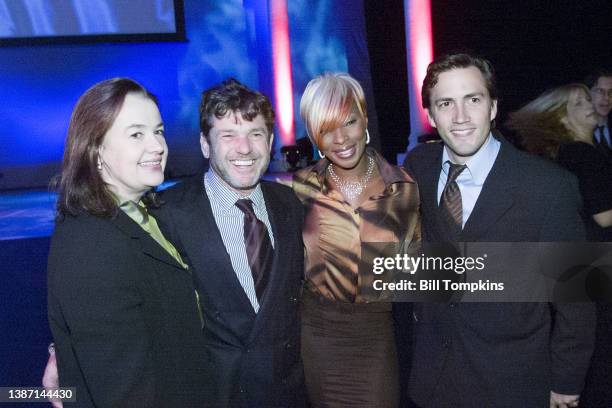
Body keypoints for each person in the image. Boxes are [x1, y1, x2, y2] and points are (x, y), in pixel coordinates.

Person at [403, 53, 596, 408]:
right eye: (446, 103)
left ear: (492, 107)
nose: (460, 117)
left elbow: (578, 298)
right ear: (430, 115)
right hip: (434, 380)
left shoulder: (549, 186)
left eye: (472, 100)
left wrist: (567, 382)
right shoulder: (420, 167)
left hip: (512, 382)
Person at [46, 78, 207, 407]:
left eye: (158, 131)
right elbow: (124, 389)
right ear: (96, 149)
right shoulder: (90, 246)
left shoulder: (147, 213)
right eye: (136, 134)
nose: (157, 145)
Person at [154, 78, 305, 406]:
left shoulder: (291, 204)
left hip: (287, 394)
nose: (245, 148)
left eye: (255, 134)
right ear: (205, 145)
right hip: (212, 394)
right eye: (228, 135)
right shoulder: (168, 214)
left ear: (270, 140)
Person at [292, 72, 420, 407]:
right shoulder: (300, 189)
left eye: (349, 121)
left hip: (376, 334)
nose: (341, 138)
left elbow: (418, 267)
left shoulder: (403, 188)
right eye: (326, 129)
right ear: (314, 137)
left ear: (364, 118)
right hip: (319, 337)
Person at [506, 83, 612, 240]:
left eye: (588, 100)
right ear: (562, 118)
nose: (590, 105)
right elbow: (604, 217)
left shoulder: (564, 153)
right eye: (579, 103)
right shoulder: (583, 154)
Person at [585, 69, 612, 158]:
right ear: (587, 94)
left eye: (611, 92)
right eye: (600, 91)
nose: (607, 98)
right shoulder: (576, 131)